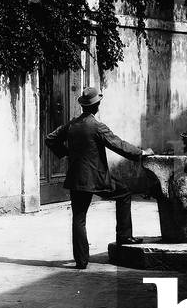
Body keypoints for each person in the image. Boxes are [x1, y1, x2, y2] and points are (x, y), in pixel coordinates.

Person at [45, 86, 153, 269]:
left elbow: (50, 139)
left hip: (76, 179)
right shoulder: (97, 126)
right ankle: (124, 236)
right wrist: (141, 153)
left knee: (79, 218)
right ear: (97, 106)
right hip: (97, 179)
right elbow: (118, 144)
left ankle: (81, 261)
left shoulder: (72, 124)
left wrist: (66, 153)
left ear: (83, 106)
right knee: (124, 193)